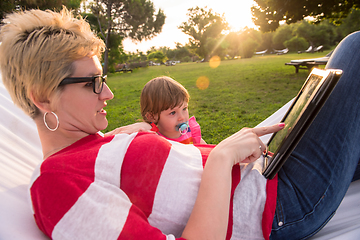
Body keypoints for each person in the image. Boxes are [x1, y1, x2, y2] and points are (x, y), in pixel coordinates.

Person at [0, 7, 359, 240]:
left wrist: (121, 137)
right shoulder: (55, 183)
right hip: (282, 206)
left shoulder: (91, 145)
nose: (107, 93)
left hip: (270, 174)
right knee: (354, 49)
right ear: (43, 97)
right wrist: (221, 158)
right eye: (93, 82)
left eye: (103, 78)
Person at [140, 76, 206, 144]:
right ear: (152, 117)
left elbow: (206, 150)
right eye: (172, 113)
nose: (182, 117)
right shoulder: (156, 140)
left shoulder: (191, 131)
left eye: (184, 109)